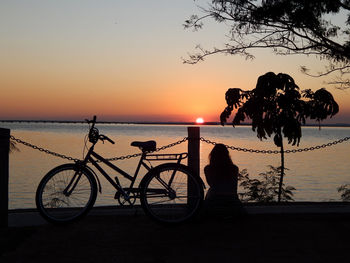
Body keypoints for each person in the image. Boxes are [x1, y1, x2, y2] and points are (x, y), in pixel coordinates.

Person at [204, 144, 244, 217]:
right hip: (231, 199)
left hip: (214, 199)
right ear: (227, 155)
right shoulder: (234, 168)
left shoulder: (208, 169)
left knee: (210, 191)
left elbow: (211, 184)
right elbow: (234, 188)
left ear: (212, 155)